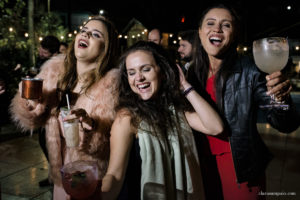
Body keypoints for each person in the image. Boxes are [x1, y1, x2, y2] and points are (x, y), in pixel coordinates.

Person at [187, 4, 300, 200]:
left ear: (235, 34)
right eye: (210, 23)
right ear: (200, 31)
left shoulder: (250, 71)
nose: (217, 29)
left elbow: (285, 124)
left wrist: (281, 99)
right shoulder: (191, 74)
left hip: (238, 168)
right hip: (199, 166)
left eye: (226, 25)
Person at [10, 15, 119, 199]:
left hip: (89, 176)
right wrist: (29, 99)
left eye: (95, 34)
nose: (86, 35)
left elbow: (106, 147)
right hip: (61, 173)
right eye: (84, 31)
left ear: (106, 49)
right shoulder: (54, 72)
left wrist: (90, 125)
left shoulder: (111, 86)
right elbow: (30, 119)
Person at [101, 41, 224, 199]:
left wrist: (185, 86)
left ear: (162, 71)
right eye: (131, 72)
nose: (138, 78)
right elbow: (114, 175)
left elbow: (215, 127)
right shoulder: (127, 117)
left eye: (146, 69)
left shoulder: (176, 110)